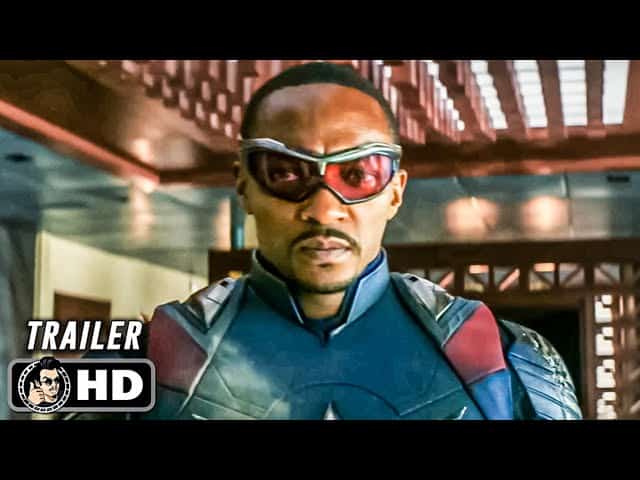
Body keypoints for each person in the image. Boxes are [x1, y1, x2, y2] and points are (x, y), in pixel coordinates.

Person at [143, 62, 582, 420]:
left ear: (395, 191)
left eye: (357, 175)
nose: (323, 210)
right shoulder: (153, 355)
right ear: (244, 184)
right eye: (286, 173)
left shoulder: (500, 358)